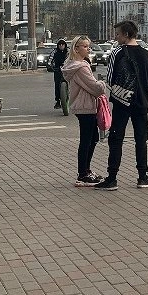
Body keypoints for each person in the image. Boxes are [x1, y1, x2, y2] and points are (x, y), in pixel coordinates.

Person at [94, 20, 148, 191]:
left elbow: (110, 77)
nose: (116, 37)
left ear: (126, 34)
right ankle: (143, 177)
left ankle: (112, 178)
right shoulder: (146, 53)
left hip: (122, 101)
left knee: (116, 139)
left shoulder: (118, 52)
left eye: (118, 34)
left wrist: (121, 89)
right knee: (141, 139)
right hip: (141, 101)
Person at [61, 35, 107, 187]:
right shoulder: (80, 68)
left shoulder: (75, 65)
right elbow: (95, 88)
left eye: (89, 46)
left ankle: (86, 170)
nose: (89, 49)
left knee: (92, 138)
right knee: (87, 140)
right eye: (85, 46)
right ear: (76, 48)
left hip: (83, 105)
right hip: (85, 106)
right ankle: (82, 174)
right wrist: (102, 83)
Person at [49, 39, 68, 109]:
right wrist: (50, 66)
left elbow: (73, 59)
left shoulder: (68, 52)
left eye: (63, 44)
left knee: (71, 84)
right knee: (57, 85)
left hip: (67, 70)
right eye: (60, 44)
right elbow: (50, 60)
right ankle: (58, 101)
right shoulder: (55, 51)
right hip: (57, 71)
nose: (61, 46)